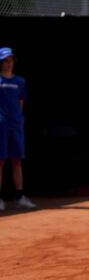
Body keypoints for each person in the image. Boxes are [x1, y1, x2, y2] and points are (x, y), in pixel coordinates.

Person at [0, 47, 36, 210]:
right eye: (5, 61)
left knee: (17, 161)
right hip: (1, 125)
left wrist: (17, 120)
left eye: (11, 61)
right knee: (0, 161)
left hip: (16, 126)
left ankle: (19, 196)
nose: (8, 64)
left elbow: (21, 103)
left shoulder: (20, 82)